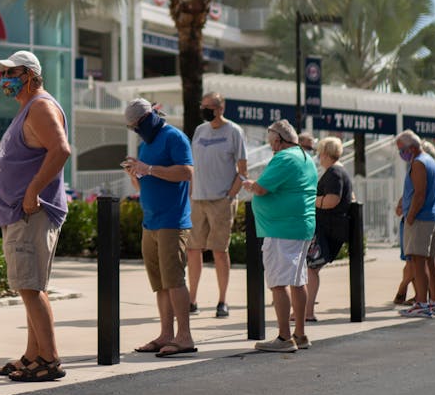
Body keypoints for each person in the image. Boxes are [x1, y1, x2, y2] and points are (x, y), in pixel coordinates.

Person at [0, 50, 71, 382]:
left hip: (31, 213)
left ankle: (49, 360)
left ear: (30, 75)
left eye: (11, 72)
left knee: (31, 286)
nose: (4, 79)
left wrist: (32, 191)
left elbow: (61, 149)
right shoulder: (29, 108)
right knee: (28, 286)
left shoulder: (40, 106)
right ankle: (33, 354)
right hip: (19, 213)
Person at [122, 97, 196, 359]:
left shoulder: (174, 137)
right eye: (131, 127)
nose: (136, 130)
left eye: (137, 124)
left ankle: (184, 336)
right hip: (150, 221)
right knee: (160, 284)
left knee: (174, 280)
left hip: (172, 221)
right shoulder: (146, 144)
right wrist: (136, 174)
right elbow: (145, 184)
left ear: (150, 117)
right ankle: (166, 334)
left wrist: (149, 168)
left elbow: (187, 172)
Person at [242, 119, 318, 350]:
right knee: (297, 280)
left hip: (281, 229)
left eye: (270, 141)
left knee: (278, 282)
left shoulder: (284, 157)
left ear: (277, 140)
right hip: (300, 227)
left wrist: (250, 184)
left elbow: (262, 187)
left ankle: (285, 338)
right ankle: (301, 334)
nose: (269, 145)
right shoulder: (306, 158)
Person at [187, 91, 245, 318]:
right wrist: (191, 192)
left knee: (220, 251)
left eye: (208, 106)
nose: (204, 110)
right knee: (193, 250)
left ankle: (222, 301)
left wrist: (229, 197)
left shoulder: (234, 132)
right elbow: (193, 165)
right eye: (203, 105)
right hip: (197, 199)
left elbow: (242, 171)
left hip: (221, 201)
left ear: (221, 108)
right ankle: (192, 300)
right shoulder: (200, 131)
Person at [304, 135, 353, 323]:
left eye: (319, 154)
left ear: (326, 153)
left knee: (310, 268)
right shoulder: (340, 172)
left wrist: (310, 200)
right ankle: (304, 310)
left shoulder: (333, 173)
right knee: (310, 269)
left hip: (328, 229)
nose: (318, 157)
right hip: (331, 228)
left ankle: (307, 312)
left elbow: (333, 199)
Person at [394, 130, 435, 318]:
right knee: (430, 261)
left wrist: (411, 216)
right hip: (431, 217)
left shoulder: (419, 163)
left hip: (421, 219)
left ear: (412, 148)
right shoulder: (431, 161)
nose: (401, 153)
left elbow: (419, 194)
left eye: (402, 149)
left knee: (418, 262)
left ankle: (422, 303)